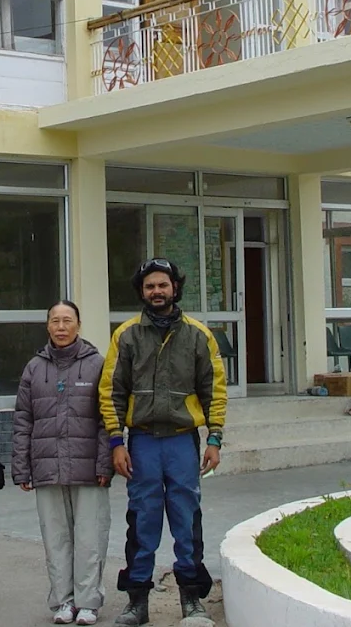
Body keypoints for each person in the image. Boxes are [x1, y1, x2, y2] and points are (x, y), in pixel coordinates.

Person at [99, 258, 226, 626]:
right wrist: (115, 442)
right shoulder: (126, 335)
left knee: (187, 520)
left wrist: (214, 437)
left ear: (174, 288)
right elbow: (110, 391)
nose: (157, 291)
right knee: (142, 521)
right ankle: (137, 602)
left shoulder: (198, 334)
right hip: (141, 443)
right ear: (142, 291)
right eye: (150, 286)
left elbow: (214, 389)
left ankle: (192, 599)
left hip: (182, 442)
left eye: (163, 285)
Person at [11, 300, 112, 626]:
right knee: (55, 539)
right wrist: (21, 466)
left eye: (67, 320)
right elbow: (23, 420)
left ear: (78, 325)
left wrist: (104, 463)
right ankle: (63, 601)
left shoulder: (97, 364)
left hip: (88, 469)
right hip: (46, 467)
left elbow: (106, 419)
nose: (61, 326)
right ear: (48, 326)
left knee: (89, 538)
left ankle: (88, 602)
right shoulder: (34, 368)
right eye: (55, 320)